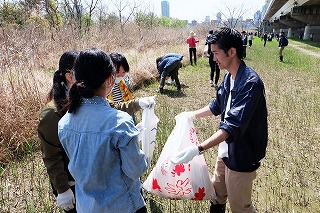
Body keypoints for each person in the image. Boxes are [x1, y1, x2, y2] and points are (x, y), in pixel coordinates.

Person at [38, 50, 153, 212]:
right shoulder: (120, 123)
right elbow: (135, 170)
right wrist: (144, 152)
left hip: (88, 204)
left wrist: (137, 104)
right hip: (122, 204)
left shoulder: (64, 121)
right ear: (110, 79)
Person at [171, 28, 268, 213]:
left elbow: (232, 127)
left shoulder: (250, 83)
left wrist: (198, 149)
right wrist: (191, 114)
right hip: (226, 150)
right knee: (217, 195)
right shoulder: (228, 77)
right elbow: (217, 105)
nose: (213, 58)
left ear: (231, 52)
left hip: (242, 154)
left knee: (241, 206)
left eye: (216, 53)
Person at [38, 50, 79, 212]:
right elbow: (52, 156)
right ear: (70, 76)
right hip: (70, 183)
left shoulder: (80, 99)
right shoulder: (51, 114)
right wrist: (63, 190)